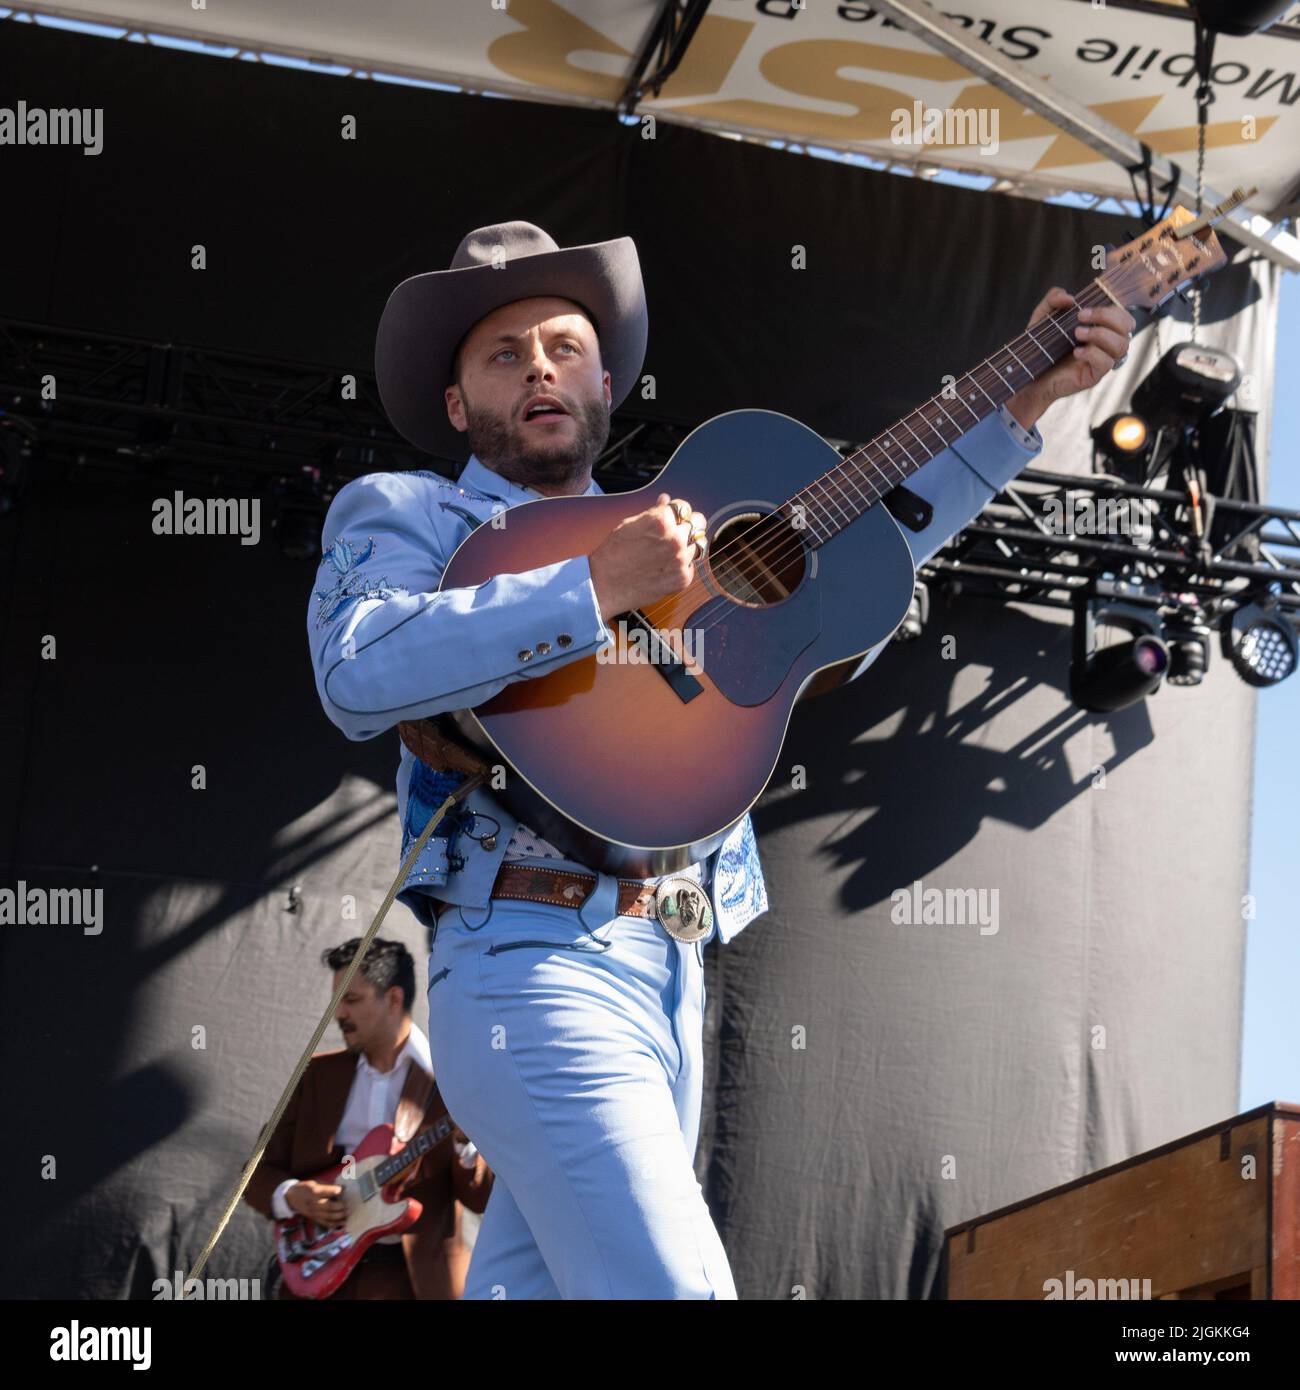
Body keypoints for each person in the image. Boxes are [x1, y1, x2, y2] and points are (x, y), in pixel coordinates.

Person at [306, 221, 1134, 1298]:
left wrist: (1018, 404)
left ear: (606, 379)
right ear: (459, 406)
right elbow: (357, 668)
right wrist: (591, 587)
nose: (539, 367)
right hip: (528, 957)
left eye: (562, 344)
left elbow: (859, 558)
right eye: (502, 354)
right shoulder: (411, 513)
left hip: (669, 971)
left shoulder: (689, 528)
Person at [245, 937, 492, 1299]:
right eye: (337, 1000)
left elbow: (482, 1200)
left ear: (393, 999)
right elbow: (255, 1172)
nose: (338, 1013)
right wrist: (292, 1195)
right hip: (317, 1271)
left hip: (412, 1282)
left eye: (351, 999)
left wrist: (464, 1142)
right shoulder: (316, 1075)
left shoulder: (449, 1081)